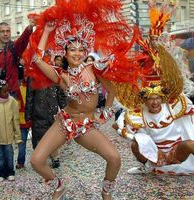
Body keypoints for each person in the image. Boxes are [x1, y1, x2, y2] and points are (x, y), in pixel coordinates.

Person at [21, 0, 139, 197]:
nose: (77, 53)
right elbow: (37, 59)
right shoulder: (61, 76)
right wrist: (48, 32)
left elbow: (111, 92)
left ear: (86, 51)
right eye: (72, 49)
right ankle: (58, 185)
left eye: (80, 49)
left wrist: (106, 113)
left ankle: (106, 191)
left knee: (115, 158)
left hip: (87, 126)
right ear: (65, 53)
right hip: (65, 122)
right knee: (36, 160)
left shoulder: (95, 69)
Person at [116, 84, 194, 179]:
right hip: (156, 154)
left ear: (162, 98)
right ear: (145, 100)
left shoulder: (172, 108)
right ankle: (146, 167)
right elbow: (118, 126)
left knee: (191, 144)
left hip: (176, 152)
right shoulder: (140, 114)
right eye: (150, 99)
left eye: (157, 98)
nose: (155, 102)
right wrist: (127, 134)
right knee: (135, 145)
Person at [0, 20, 35, 164]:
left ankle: (8, 154)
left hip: (10, 91)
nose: (5, 34)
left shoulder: (13, 47)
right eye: (2, 31)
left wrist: (29, 28)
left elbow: (23, 41)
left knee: (10, 122)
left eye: (8, 31)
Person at [0, 78, 21, 182]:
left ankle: (10, 172)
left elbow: (15, 119)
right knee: (0, 157)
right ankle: (1, 172)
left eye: (8, 90)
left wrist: (18, 137)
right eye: (4, 91)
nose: (7, 93)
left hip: (9, 136)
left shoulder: (12, 102)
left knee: (9, 155)